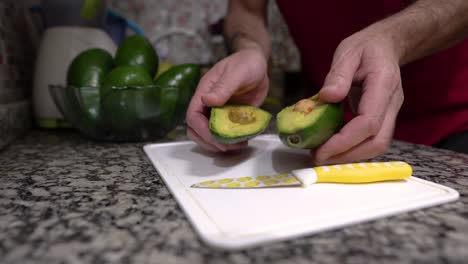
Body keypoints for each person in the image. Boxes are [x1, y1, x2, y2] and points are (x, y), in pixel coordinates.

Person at [186, 0, 468, 165]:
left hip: (451, 127)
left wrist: (395, 37)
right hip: (326, 132)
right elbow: (245, 9)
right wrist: (250, 48)